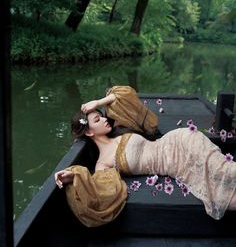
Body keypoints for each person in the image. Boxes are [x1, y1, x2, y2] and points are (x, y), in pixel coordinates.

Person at [55, 86, 236, 227]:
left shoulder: (119, 129)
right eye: (97, 120)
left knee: (225, 171)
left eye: (101, 116)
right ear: (88, 133)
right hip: (177, 168)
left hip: (180, 141)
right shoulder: (103, 163)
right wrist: (74, 175)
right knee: (221, 199)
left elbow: (125, 94)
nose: (104, 119)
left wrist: (98, 102)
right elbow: (99, 192)